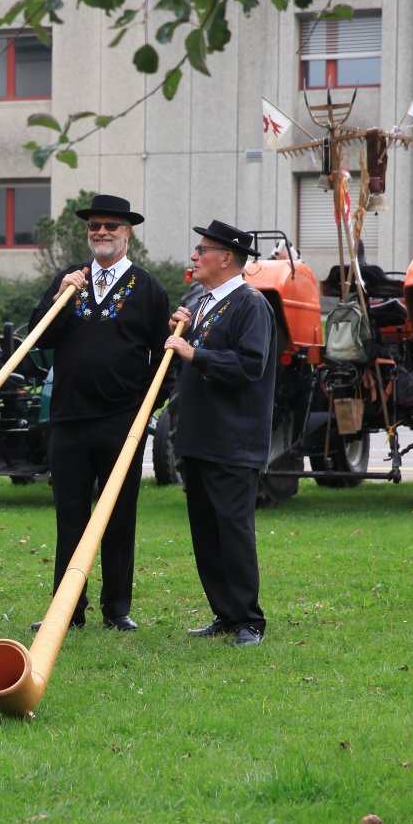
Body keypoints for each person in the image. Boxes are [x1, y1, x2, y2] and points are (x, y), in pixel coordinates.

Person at [27, 193, 172, 632]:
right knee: (70, 517)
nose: (101, 232)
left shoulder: (148, 288)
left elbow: (165, 359)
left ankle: (117, 609)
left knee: (118, 516)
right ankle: (67, 609)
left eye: (111, 226)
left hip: (122, 423)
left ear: (128, 233)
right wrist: (60, 296)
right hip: (69, 418)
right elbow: (39, 337)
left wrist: (146, 408)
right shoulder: (69, 281)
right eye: (94, 226)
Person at [162, 219, 279, 647]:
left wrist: (193, 351)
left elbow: (250, 365)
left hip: (233, 441)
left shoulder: (251, 304)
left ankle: (248, 620)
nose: (194, 256)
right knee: (206, 532)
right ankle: (225, 614)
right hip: (198, 437)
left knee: (233, 531)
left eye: (202, 250)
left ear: (226, 257)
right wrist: (180, 331)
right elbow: (194, 357)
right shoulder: (202, 303)